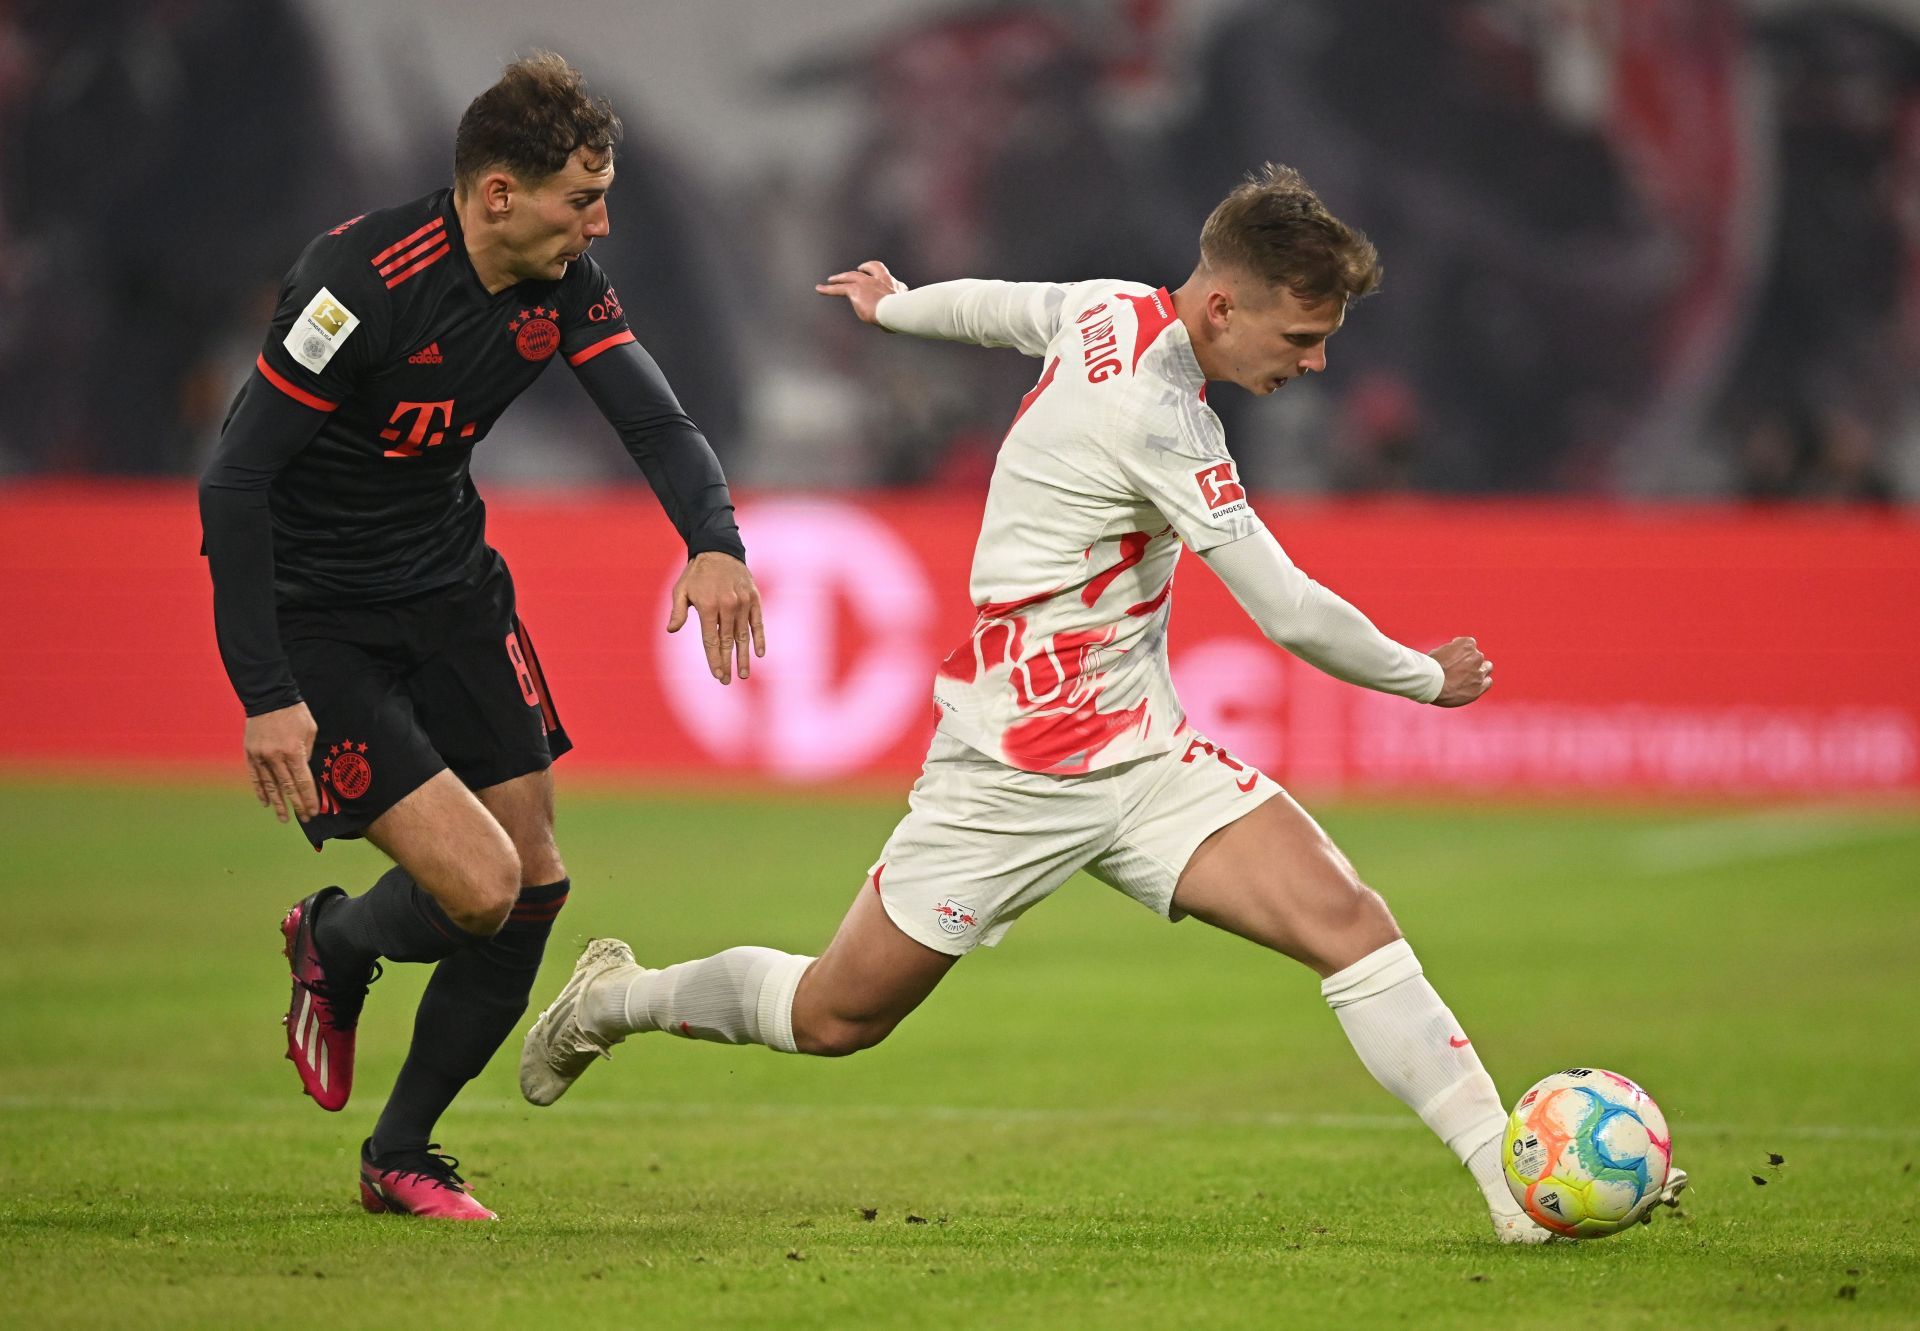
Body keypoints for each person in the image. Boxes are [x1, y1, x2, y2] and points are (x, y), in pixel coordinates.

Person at [519, 163, 1680, 1241]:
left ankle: (1507, 1187)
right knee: (836, 1014)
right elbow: (1286, 607)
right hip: (1009, 770)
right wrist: (1424, 676)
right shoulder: (1163, 421)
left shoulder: (1111, 307)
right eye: (1306, 334)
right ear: (1226, 307)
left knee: (1349, 921)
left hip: (1142, 758)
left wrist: (900, 306)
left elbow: (1003, 308)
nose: (1317, 362)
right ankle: (618, 997)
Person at [198, 53, 764, 1221]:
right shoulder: (354, 287)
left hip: (456, 595)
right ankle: (338, 935)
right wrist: (265, 690)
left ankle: (400, 1150)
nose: (599, 225)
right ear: (498, 194)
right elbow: (235, 483)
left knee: (537, 885)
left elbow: (655, 419)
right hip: (324, 623)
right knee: (480, 887)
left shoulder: (564, 285)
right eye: (580, 200)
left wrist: (715, 539)